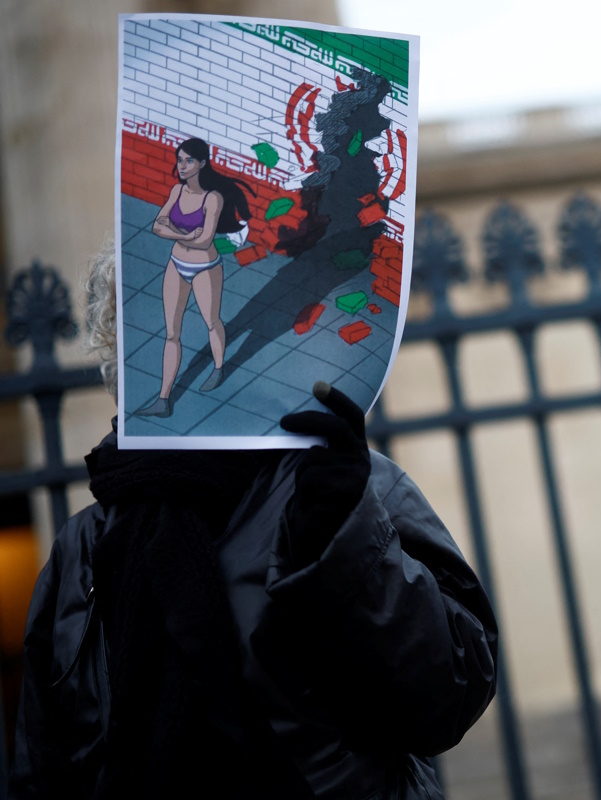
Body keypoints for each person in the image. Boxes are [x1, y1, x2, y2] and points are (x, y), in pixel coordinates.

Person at [10, 244, 500, 799]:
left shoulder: (339, 482)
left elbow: (449, 696)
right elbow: (41, 771)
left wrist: (343, 533)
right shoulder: (82, 547)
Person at [135, 137, 251, 417]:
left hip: (205, 268)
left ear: (201, 163)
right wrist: (184, 235)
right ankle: (163, 399)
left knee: (211, 322)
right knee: (172, 333)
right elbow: (156, 226)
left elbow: (206, 239)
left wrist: (176, 233)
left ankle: (219, 367)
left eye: (188, 161)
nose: (182, 166)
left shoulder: (213, 198)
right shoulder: (176, 191)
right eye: (179, 160)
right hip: (176, 264)